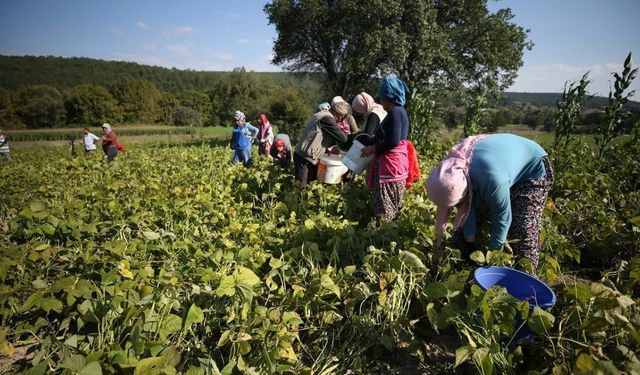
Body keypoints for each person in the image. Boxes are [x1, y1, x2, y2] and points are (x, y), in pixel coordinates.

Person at [425, 133, 554, 272]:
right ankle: (456, 263)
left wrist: (492, 260)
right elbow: (467, 207)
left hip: (533, 167)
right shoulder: (451, 171)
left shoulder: (492, 180)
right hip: (499, 164)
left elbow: (502, 221)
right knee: (464, 226)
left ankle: (526, 279)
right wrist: (470, 244)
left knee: (523, 226)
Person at [360, 75, 411, 221]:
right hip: (397, 166)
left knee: (385, 208)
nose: (380, 101)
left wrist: (373, 149)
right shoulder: (400, 112)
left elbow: (393, 141)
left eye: (382, 97)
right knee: (393, 206)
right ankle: (390, 236)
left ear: (389, 97)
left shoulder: (395, 112)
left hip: (390, 168)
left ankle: (383, 238)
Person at [294, 101, 349, 189]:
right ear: (337, 113)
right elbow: (343, 138)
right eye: (342, 118)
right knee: (302, 188)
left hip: (308, 157)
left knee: (309, 187)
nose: (341, 121)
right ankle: (295, 202)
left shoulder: (324, 117)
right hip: (304, 157)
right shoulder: (326, 118)